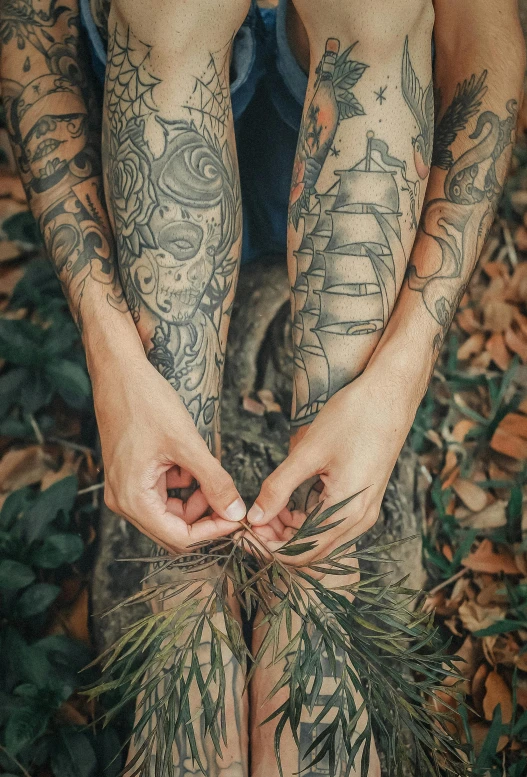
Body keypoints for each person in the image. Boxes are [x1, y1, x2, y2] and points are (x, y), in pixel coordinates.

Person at [0, 0, 524, 774]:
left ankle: (317, 576)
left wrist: (401, 373)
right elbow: (28, 30)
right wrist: (109, 349)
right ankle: (182, 570)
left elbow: (485, 38)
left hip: (332, 128)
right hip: (141, 102)